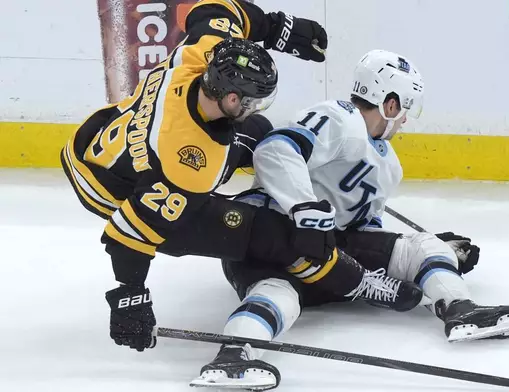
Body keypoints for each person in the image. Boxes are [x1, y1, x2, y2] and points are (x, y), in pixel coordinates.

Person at [61, 0, 424, 355]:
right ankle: (358, 283)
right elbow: (130, 233)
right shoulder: (190, 166)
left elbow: (216, 9)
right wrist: (129, 296)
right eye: (253, 101)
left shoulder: (199, 54)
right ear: (232, 98)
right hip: (110, 189)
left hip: (100, 138)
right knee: (270, 232)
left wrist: (278, 28)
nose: (256, 108)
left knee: (262, 134)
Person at [190, 50, 509, 390]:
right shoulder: (339, 117)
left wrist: (433, 259)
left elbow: (363, 233)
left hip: (327, 254)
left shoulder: (390, 167)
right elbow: (275, 151)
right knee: (278, 293)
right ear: (391, 104)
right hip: (265, 238)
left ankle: (460, 309)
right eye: (405, 111)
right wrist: (305, 208)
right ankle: (232, 355)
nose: (405, 121)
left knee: (422, 247)